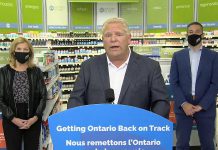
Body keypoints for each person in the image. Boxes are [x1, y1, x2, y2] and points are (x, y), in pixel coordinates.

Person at [67, 17, 170, 118]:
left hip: (136, 133)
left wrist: (151, 128)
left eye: (119, 34)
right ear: (103, 40)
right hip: (96, 132)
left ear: (129, 38)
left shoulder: (150, 67)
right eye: (108, 35)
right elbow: (75, 100)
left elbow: (161, 102)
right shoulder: (88, 67)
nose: (113, 39)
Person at [170, 22, 218, 150]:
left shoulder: (213, 56)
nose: (193, 34)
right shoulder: (178, 56)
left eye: (197, 31)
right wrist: (184, 104)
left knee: (208, 144)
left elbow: (215, 83)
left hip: (206, 107)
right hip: (183, 107)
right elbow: (174, 82)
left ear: (202, 34)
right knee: (181, 144)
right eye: (190, 32)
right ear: (186, 34)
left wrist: (202, 105)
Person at [0, 37, 47, 150]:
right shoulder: (3, 72)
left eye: (25, 49)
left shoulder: (36, 72)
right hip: (11, 119)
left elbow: (43, 96)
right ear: (13, 51)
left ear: (29, 52)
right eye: (19, 48)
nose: (22, 51)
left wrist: (35, 118)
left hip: (32, 118)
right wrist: (12, 118)